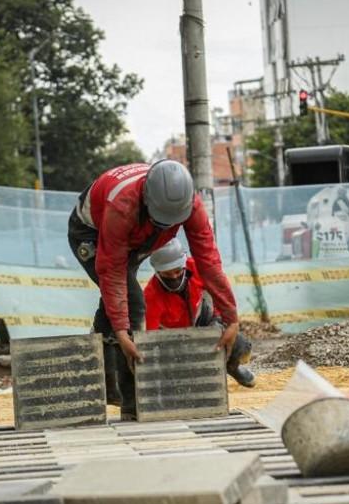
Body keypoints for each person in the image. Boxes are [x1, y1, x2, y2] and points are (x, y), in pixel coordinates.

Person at [67, 161, 239, 419]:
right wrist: (124, 334)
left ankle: (105, 376)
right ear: (148, 200)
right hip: (90, 231)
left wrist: (231, 318)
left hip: (140, 234)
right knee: (132, 301)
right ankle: (130, 400)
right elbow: (112, 273)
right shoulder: (122, 206)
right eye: (161, 220)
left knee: (121, 301)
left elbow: (208, 261)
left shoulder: (190, 204)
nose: (165, 225)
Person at [144, 239, 256, 388]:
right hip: (175, 340)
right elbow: (149, 338)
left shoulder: (197, 268)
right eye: (167, 274)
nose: (174, 277)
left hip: (203, 321)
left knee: (242, 347)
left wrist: (223, 320)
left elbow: (220, 291)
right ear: (157, 272)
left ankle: (232, 368)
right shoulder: (151, 296)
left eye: (177, 271)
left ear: (184, 264)